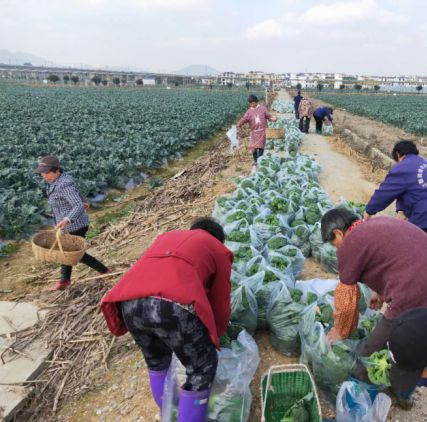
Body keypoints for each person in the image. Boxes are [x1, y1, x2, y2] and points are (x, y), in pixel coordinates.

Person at [101, 218, 233, 421]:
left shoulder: (168, 237)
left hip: (129, 303)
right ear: (218, 238)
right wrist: (217, 335)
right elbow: (220, 300)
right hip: (171, 306)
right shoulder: (217, 248)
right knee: (201, 368)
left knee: (157, 361)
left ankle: (169, 413)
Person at [320, 209, 427, 383]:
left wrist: (341, 331)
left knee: (372, 349)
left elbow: (346, 297)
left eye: (334, 244)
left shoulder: (350, 242)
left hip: (416, 291)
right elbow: (397, 258)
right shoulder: (378, 223)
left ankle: (359, 388)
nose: (337, 248)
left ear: (338, 233)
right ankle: (407, 389)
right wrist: (380, 293)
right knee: (425, 345)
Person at [34, 155, 109, 291]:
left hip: (75, 224)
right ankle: (64, 280)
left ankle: (104, 271)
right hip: (64, 224)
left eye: (46, 173)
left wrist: (67, 219)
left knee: (74, 253)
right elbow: (77, 197)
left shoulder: (64, 183)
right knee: (66, 252)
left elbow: (77, 205)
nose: (44, 176)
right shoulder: (55, 180)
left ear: (56, 170)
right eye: (42, 173)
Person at [364, 140, 427, 246]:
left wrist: (368, 211)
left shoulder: (402, 167)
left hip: (425, 217)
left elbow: (385, 193)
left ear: (398, 154)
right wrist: (402, 210)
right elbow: (425, 190)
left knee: (409, 250)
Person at [237, 94, 277, 173]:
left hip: (262, 131)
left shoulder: (262, 108)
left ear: (256, 102)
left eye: (253, 103)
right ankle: (255, 162)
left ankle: (259, 162)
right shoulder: (249, 111)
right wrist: (239, 124)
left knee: (260, 147)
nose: (252, 104)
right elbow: (244, 119)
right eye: (250, 103)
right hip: (254, 132)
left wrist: (273, 119)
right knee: (254, 148)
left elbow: (268, 116)